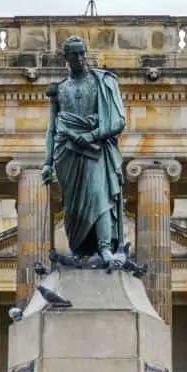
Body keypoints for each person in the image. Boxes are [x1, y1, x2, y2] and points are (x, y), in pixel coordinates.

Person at [41, 36, 127, 267]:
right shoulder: (58, 90)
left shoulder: (103, 82)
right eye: (74, 54)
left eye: (82, 53)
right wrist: (47, 163)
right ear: (65, 58)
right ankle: (79, 250)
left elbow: (118, 120)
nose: (79, 58)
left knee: (100, 195)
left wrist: (91, 135)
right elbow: (52, 128)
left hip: (95, 149)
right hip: (67, 153)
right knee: (72, 208)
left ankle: (106, 249)